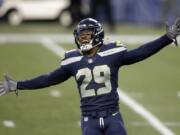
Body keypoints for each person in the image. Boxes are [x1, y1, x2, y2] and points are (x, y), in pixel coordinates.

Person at [0, 17, 180, 135]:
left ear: (98, 36)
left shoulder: (113, 53)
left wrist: (166, 38)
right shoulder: (72, 60)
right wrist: (18, 85)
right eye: (81, 36)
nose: (83, 39)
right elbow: (48, 79)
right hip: (89, 120)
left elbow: (141, 52)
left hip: (113, 116)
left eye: (87, 35)